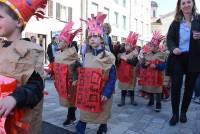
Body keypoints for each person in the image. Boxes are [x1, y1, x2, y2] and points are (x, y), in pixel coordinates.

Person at [0, 0, 46, 133]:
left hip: (18, 123)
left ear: (19, 22)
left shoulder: (30, 51)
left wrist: (15, 98)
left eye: (0, 17)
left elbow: (37, 87)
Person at [76, 12, 116, 134]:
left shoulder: (108, 56)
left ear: (102, 39)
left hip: (102, 92)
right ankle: (81, 126)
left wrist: (107, 92)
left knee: (102, 111)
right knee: (85, 112)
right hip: (88, 92)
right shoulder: (86, 55)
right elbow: (84, 72)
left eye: (95, 36)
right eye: (90, 37)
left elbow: (112, 77)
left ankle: (102, 126)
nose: (92, 39)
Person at [166, 0, 200, 126]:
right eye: (183, 3)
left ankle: (183, 112)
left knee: (189, 87)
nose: (186, 5)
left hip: (194, 58)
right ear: (180, 6)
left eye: (188, 2)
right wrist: (173, 47)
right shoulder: (176, 22)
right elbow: (169, 38)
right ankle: (175, 114)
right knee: (176, 86)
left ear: (193, 4)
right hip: (178, 57)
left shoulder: (199, 19)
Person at [52, 21, 81, 126]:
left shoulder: (72, 52)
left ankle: (71, 117)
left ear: (66, 43)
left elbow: (76, 67)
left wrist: (75, 79)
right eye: (58, 41)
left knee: (71, 99)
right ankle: (71, 116)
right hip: (62, 81)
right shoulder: (59, 53)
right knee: (68, 99)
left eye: (60, 41)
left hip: (70, 81)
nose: (58, 42)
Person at [138, 31, 166, 112]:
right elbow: (143, 65)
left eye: (153, 45)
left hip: (158, 76)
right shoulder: (147, 54)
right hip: (149, 76)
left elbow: (164, 66)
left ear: (157, 47)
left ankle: (158, 104)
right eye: (151, 45)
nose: (151, 46)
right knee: (150, 89)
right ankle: (151, 100)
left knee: (157, 90)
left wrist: (156, 66)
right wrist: (144, 64)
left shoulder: (161, 54)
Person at [117, 32, 139, 107]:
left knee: (131, 88)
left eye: (128, 45)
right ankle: (122, 101)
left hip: (131, 74)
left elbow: (134, 63)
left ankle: (132, 100)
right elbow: (118, 62)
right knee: (123, 87)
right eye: (125, 45)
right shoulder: (123, 53)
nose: (126, 46)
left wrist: (126, 59)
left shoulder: (135, 54)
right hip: (123, 74)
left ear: (132, 46)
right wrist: (119, 58)